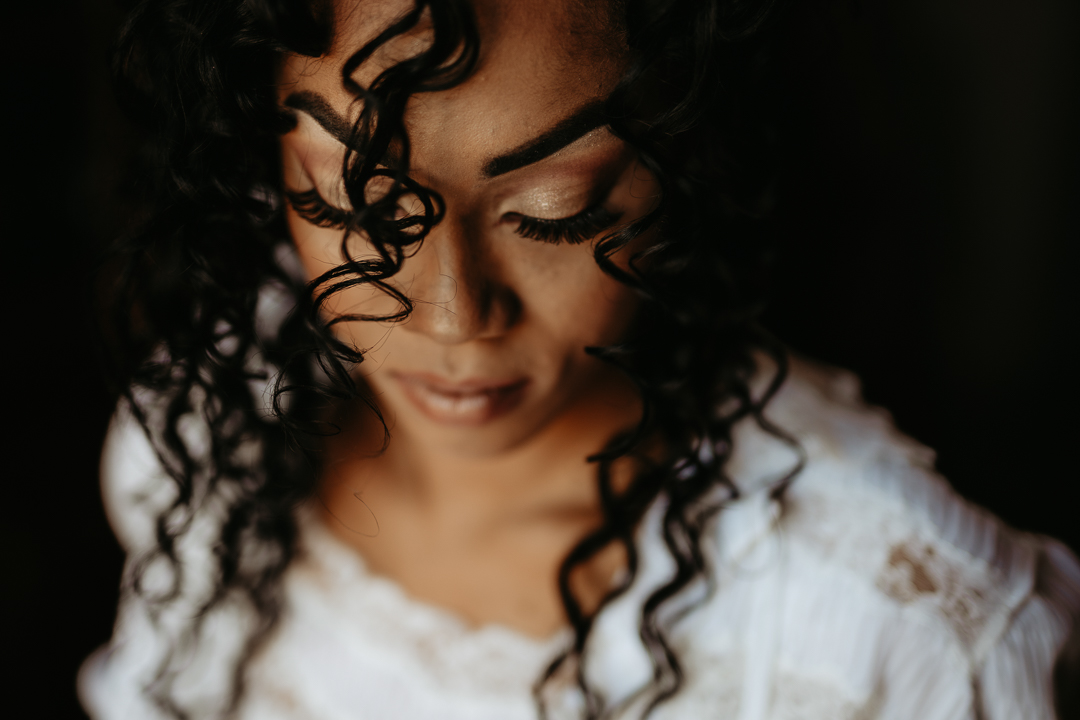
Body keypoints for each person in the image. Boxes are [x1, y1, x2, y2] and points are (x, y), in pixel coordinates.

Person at [79, 0, 1079, 718]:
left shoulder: (890, 628)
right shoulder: (207, 435)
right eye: (357, 207)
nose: (452, 314)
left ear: (680, 169)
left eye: (556, 217)